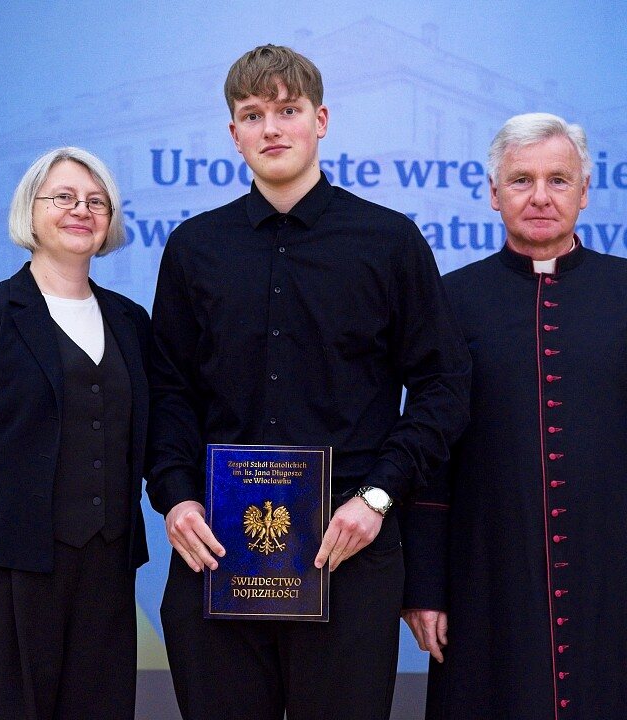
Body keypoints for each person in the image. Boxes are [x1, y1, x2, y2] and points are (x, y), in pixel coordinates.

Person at [148, 44, 471, 720]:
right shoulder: (194, 248)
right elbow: (168, 390)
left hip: (349, 547)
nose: (271, 128)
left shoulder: (389, 241)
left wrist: (378, 497)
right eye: (252, 114)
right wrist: (176, 498)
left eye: (288, 110)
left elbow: (443, 385)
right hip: (216, 547)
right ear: (233, 132)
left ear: (320, 120)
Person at [401, 112, 627, 719]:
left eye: (558, 180)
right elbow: (430, 457)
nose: (540, 196)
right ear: (494, 193)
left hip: (609, 564)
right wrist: (424, 587)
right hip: (486, 565)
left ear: (585, 191)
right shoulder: (453, 298)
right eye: (521, 180)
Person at [0, 147, 150, 720]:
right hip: (4, 583)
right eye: (64, 197)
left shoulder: (131, 322)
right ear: (30, 211)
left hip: (106, 585)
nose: (81, 210)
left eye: (96, 201)